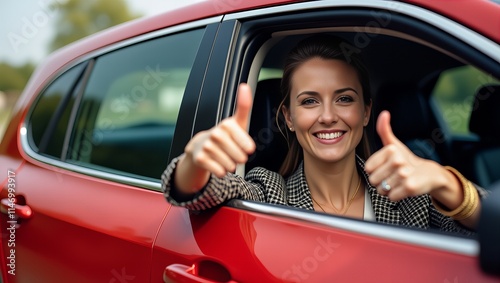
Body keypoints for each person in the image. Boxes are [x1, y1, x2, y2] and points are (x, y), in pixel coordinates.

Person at [162, 35, 485, 235]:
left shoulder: (410, 197)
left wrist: (447, 182)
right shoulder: (270, 190)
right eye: (309, 101)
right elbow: (200, 193)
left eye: (344, 99)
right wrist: (195, 162)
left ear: (366, 112)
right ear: (288, 117)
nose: (328, 116)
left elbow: (489, 234)